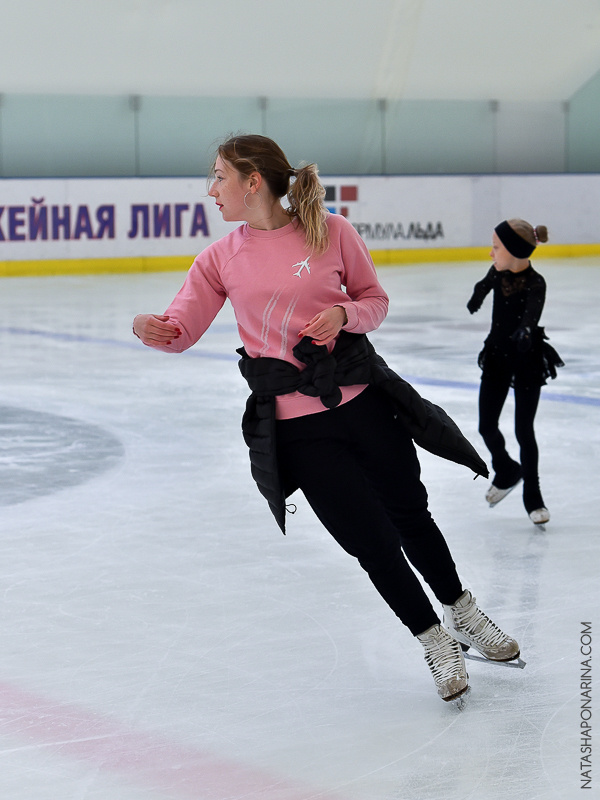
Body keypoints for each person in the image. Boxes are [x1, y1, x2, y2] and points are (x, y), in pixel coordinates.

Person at [133, 134, 521, 704]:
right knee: (370, 542)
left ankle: (462, 611)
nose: (211, 189)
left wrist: (344, 313)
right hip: (298, 429)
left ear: (252, 182)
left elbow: (375, 301)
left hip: (363, 403)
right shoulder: (219, 259)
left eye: (219, 176)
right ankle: (433, 638)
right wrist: (153, 331)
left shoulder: (332, 231)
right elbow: (181, 329)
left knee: (410, 513)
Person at [467, 218, 564, 527]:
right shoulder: (497, 272)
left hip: (526, 359)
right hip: (497, 356)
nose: (491, 253)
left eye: (496, 247)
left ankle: (533, 497)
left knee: (524, 431)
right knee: (486, 426)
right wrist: (477, 296)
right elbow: (484, 286)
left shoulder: (537, 282)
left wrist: (524, 330)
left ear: (514, 250)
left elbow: (532, 313)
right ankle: (506, 470)